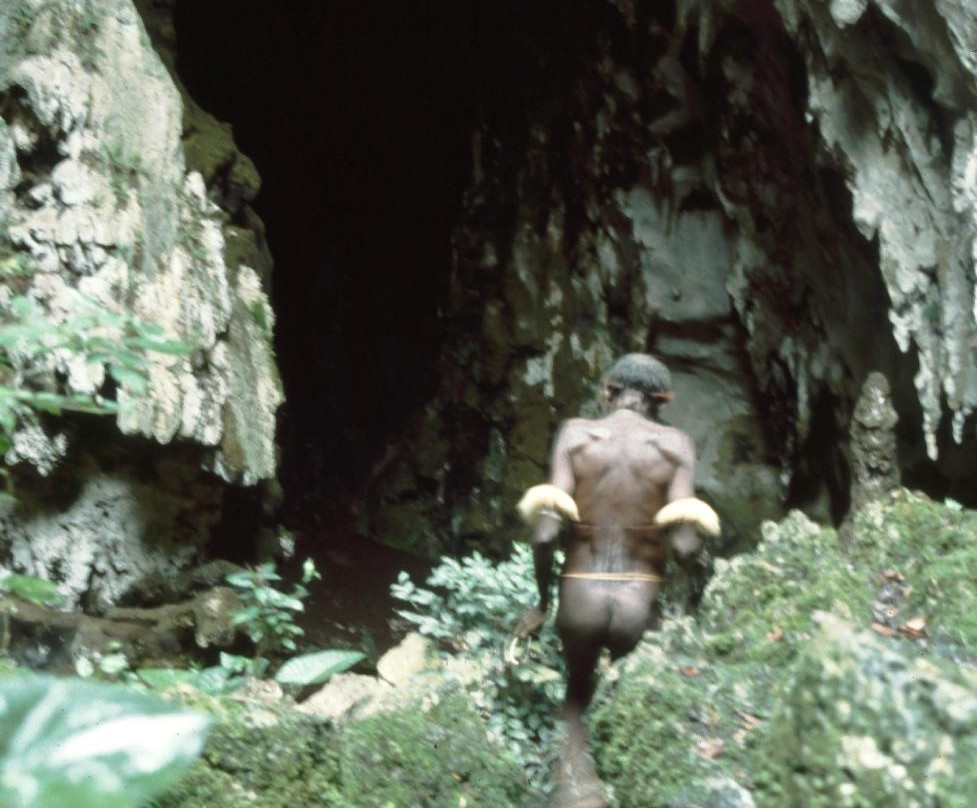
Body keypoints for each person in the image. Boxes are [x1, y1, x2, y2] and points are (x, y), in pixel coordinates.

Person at [513, 353, 719, 808]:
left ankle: (574, 795)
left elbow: (546, 533)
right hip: (637, 601)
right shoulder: (676, 445)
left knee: (576, 698)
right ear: (661, 402)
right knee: (633, 701)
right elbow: (685, 547)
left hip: (580, 593)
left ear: (607, 392)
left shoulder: (575, 435)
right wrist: (701, 584)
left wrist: (542, 602)